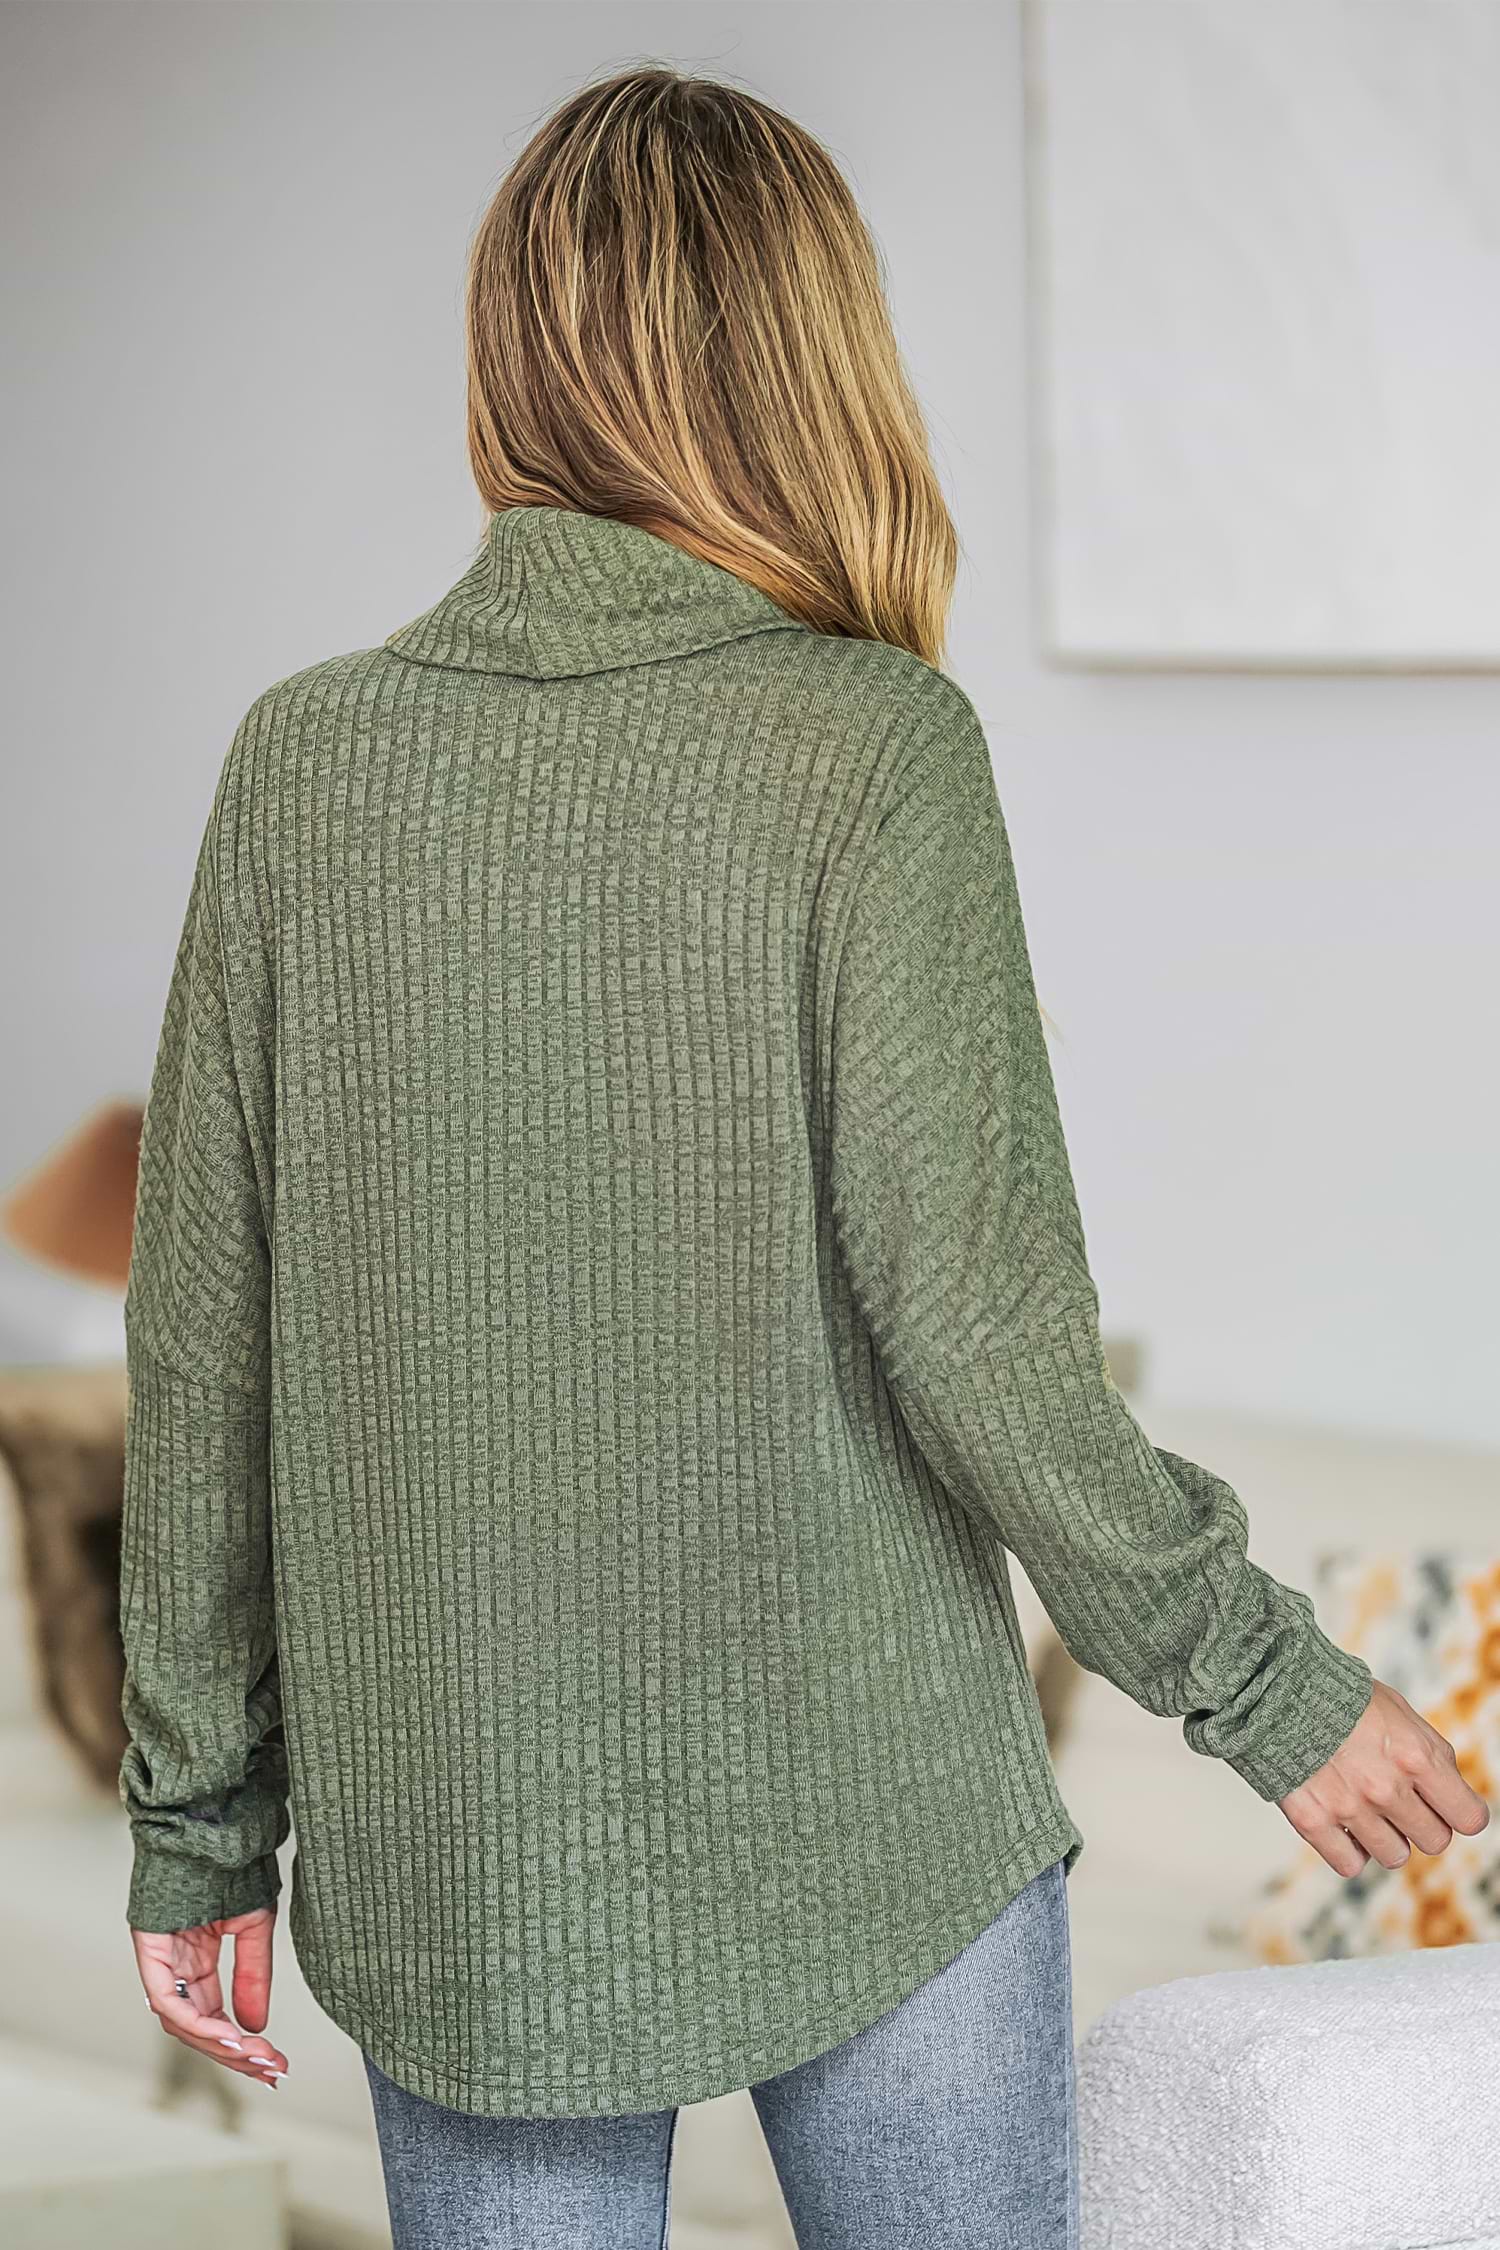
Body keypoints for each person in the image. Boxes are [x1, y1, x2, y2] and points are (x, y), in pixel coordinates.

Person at [117, 64, 1488, 2250]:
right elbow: (984, 1334)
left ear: (514, 351)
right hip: (880, 1819)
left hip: (472, 1865)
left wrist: (201, 1825)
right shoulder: (874, 748)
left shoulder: (304, 770)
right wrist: (1263, 1683)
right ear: (806, 354)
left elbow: (204, 1356)